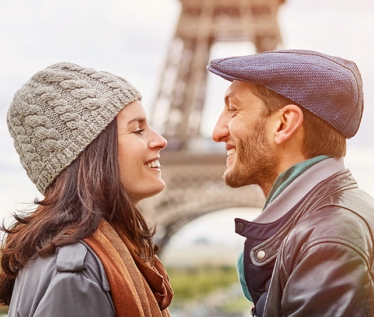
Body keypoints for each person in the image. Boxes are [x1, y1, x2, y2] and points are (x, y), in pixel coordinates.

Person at [207, 49, 374, 316]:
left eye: (233, 110)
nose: (216, 132)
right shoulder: (336, 216)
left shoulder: (328, 238)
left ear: (284, 124)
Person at [0, 63, 173, 317]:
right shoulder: (75, 274)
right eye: (137, 129)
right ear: (91, 154)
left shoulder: (89, 260)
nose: (161, 140)